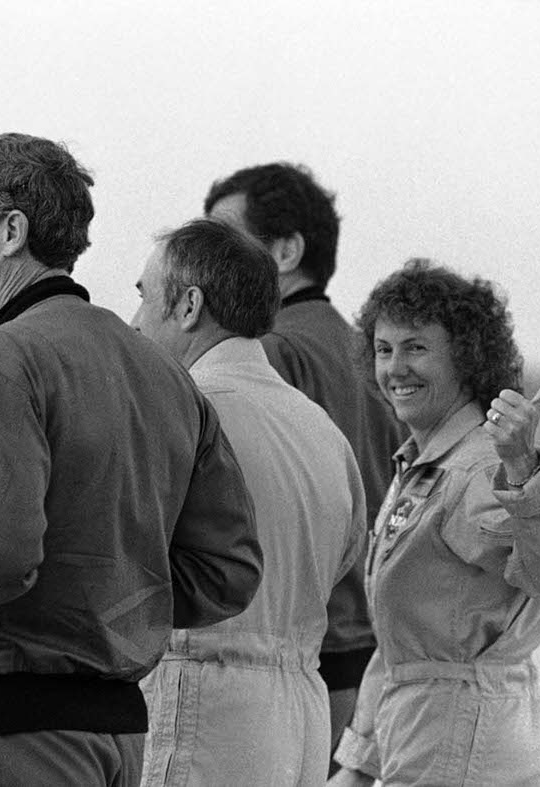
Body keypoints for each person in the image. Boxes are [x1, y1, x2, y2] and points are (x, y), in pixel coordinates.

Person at [0, 133, 262, 787]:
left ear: (10, 231)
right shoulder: (163, 373)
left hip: (9, 734)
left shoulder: (5, 360)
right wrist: (110, 606)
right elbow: (227, 570)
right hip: (118, 735)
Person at [330, 259, 540, 786]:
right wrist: (359, 766)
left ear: (466, 359)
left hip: (464, 743)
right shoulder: (427, 466)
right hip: (438, 733)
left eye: (416, 348)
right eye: (384, 350)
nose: (395, 368)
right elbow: (401, 646)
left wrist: (522, 469)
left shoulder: (476, 468)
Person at [131, 218, 368, 786]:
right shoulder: (322, 431)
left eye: (142, 297)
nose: (133, 322)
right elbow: (344, 561)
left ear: (189, 305)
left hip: (200, 703)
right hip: (301, 716)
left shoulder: (179, 414)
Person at [204, 163, 406, 763]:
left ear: (286, 249)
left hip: (304, 653)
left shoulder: (266, 354)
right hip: (375, 651)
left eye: (221, 239)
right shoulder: (376, 357)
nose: (203, 258)